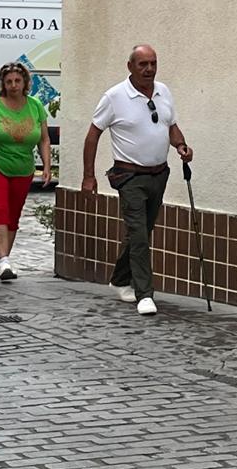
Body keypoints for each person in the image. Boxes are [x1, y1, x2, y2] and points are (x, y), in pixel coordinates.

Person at [80, 44, 193, 317]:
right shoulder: (114, 97)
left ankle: (119, 279)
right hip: (129, 176)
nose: (149, 69)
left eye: (153, 63)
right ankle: (145, 294)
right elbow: (93, 135)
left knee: (140, 232)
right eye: (142, 64)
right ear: (130, 66)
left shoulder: (163, 91)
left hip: (159, 174)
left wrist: (181, 146)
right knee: (140, 235)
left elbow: (170, 125)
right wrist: (88, 176)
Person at [0, 63, 52, 281]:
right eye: (9, 81)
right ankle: (3, 260)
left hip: (23, 167)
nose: (13, 85)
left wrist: (46, 166)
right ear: (2, 83)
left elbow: (44, 138)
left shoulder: (35, 105)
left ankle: (5, 258)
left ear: (25, 83)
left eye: (17, 81)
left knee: (13, 215)